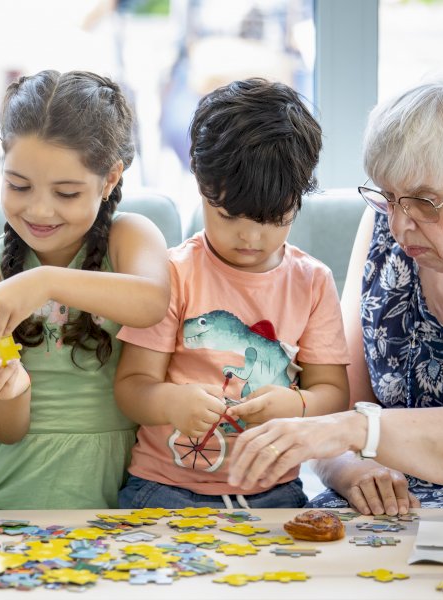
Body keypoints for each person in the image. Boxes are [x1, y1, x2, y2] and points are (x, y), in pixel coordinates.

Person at [225, 79, 443, 515]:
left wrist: (363, 432)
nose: (398, 226)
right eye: (388, 196)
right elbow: (333, 412)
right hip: (386, 511)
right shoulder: (392, 222)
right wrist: (351, 471)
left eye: (426, 201)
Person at [114, 78, 350, 510]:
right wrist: (171, 401)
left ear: (299, 200)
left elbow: (334, 393)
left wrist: (296, 405)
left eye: (274, 219)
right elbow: (131, 387)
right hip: (164, 487)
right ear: (200, 187)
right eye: (227, 216)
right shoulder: (173, 273)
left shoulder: (312, 282)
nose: (250, 236)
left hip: (275, 490)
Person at [0, 70, 171, 510]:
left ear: (109, 181)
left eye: (67, 193)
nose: (39, 209)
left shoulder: (131, 237)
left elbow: (151, 302)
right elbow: (4, 429)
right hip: (7, 490)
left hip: (123, 488)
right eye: (18, 185)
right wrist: (7, 391)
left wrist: (44, 281)